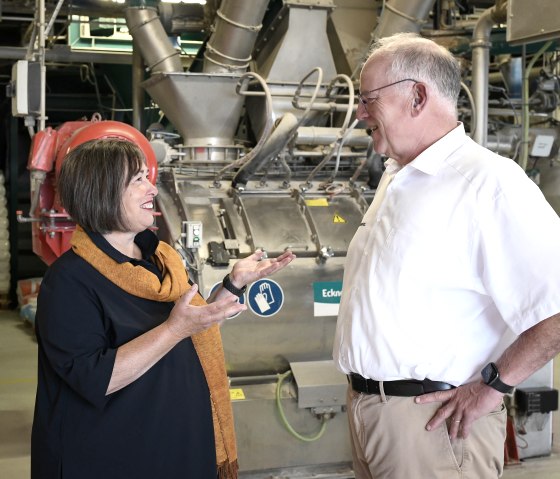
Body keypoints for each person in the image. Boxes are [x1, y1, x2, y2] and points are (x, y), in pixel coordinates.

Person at [333, 32, 560, 479]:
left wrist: (495, 386)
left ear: (417, 96)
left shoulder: (488, 184)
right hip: (371, 414)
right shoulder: (398, 178)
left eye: (368, 99)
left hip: (432, 423)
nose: (360, 113)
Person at [31, 138, 295, 479]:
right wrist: (174, 329)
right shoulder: (70, 281)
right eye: (137, 180)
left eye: (147, 177)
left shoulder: (161, 261)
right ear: (102, 191)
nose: (151, 188)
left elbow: (192, 328)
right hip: (114, 460)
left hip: (178, 450)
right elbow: (97, 378)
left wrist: (234, 283)